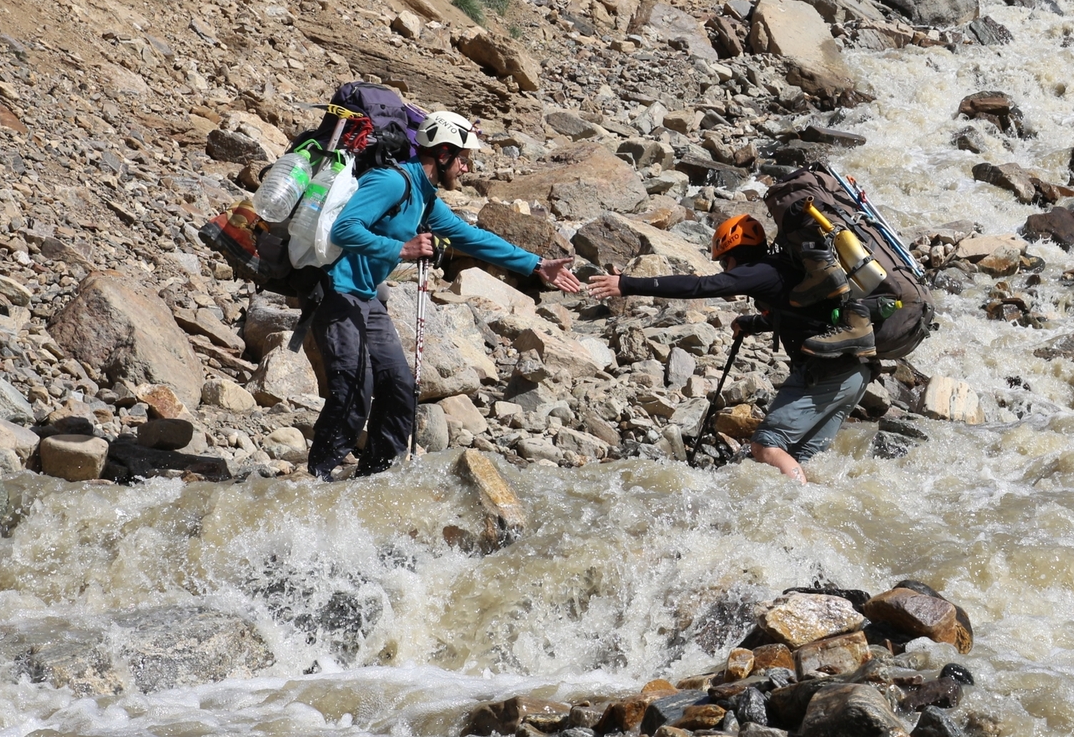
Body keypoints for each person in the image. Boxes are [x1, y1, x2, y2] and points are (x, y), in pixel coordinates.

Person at [309, 111, 582, 479]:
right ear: (442, 154)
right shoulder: (391, 182)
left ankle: (374, 480)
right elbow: (344, 229)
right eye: (463, 159)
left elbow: (472, 238)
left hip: (368, 297)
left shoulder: (425, 198)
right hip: (336, 291)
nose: (467, 168)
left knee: (400, 388)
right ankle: (316, 481)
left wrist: (536, 265)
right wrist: (401, 248)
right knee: (354, 390)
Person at [588, 210, 875, 483]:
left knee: (767, 444)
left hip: (824, 373)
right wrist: (754, 323)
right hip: (855, 373)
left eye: (725, 263)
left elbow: (700, 286)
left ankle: (794, 507)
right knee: (802, 458)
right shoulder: (785, 268)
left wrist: (628, 284)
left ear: (735, 253)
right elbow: (802, 315)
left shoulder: (759, 271)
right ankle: (809, 504)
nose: (725, 270)